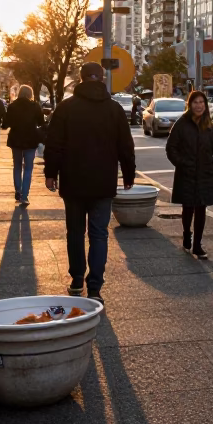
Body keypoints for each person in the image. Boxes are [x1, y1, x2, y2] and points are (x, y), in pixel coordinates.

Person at [44, 62, 136, 300]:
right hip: (103, 182)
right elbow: (125, 145)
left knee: (75, 232)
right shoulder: (114, 109)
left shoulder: (66, 108)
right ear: (102, 78)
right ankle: (95, 287)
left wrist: (51, 173)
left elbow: (54, 144)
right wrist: (128, 174)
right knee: (99, 234)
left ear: (81, 79)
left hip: (73, 182)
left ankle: (76, 280)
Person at [165, 91, 213, 260]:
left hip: (205, 173)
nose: (199, 105)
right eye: (195, 102)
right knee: (188, 207)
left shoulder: (211, 126)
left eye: (202, 102)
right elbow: (171, 148)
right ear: (190, 104)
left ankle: (197, 245)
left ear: (206, 105)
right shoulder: (182, 124)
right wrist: (182, 163)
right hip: (186, 173)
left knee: (201, 208)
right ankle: (187, 234)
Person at [3, 85, 45, 206]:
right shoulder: (35, 106)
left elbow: (6, 123)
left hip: (15, 140)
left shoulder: (12, 106)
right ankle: (24, 195)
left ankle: (18, 191)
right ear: (30, 94)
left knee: (17, 166)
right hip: (31, 140)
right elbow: (41, 122)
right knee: (28, 168)